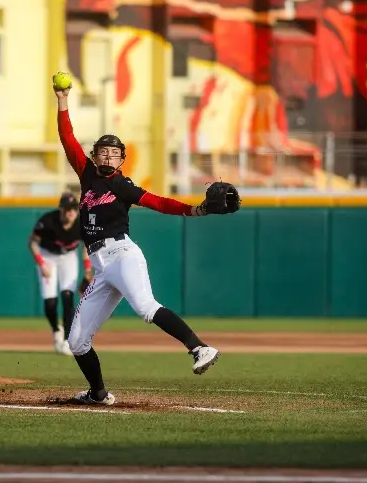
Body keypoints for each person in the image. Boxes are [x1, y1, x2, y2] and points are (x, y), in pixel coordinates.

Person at [53, 79, 235, 406]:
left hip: (122, 255)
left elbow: (160, 203)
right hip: (101, 268)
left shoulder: (123, 186)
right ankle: (98, 394)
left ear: (122, 159)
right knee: (77, 340)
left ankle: (200, 348)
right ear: (94, 156)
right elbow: (68, 139)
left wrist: (198, 210)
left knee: (146, 308)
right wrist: (63, 100)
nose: (107, 156)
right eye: (102, 152)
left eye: (114, 153)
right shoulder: (87, 176)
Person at [29, 192, 94, 355]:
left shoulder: (82, 223)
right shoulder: (48, 221)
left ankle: (67, 340)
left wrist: (87, 269)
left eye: (74, 208)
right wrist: (41, 263)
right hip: (47, 256)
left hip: (68, 258)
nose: (71, 212)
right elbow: (32, 242)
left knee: (67, 296)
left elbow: (85, 246)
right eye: (67, 209)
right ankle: (55, 329)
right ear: (61, 210)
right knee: (50, 302)